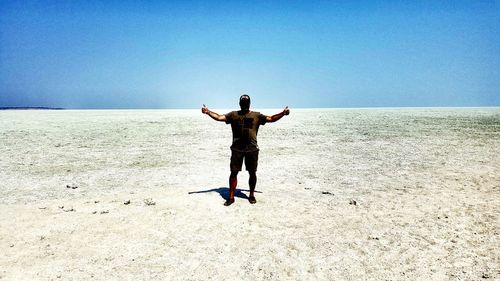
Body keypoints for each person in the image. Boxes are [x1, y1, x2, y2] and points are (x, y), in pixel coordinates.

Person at [201, 94, 290, 206]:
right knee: (234, 173)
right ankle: (231, 196)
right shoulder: (233, 115)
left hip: (252, 149)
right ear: (240, 103)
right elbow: (219, 117)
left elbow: (271, 118)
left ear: (249, 104)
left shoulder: (256, 115)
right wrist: (208, 112)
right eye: (243, 102)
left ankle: (251, 195)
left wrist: (283, 113)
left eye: (246, 102)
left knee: (252, 172)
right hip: (237, 149)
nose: (244, 104)